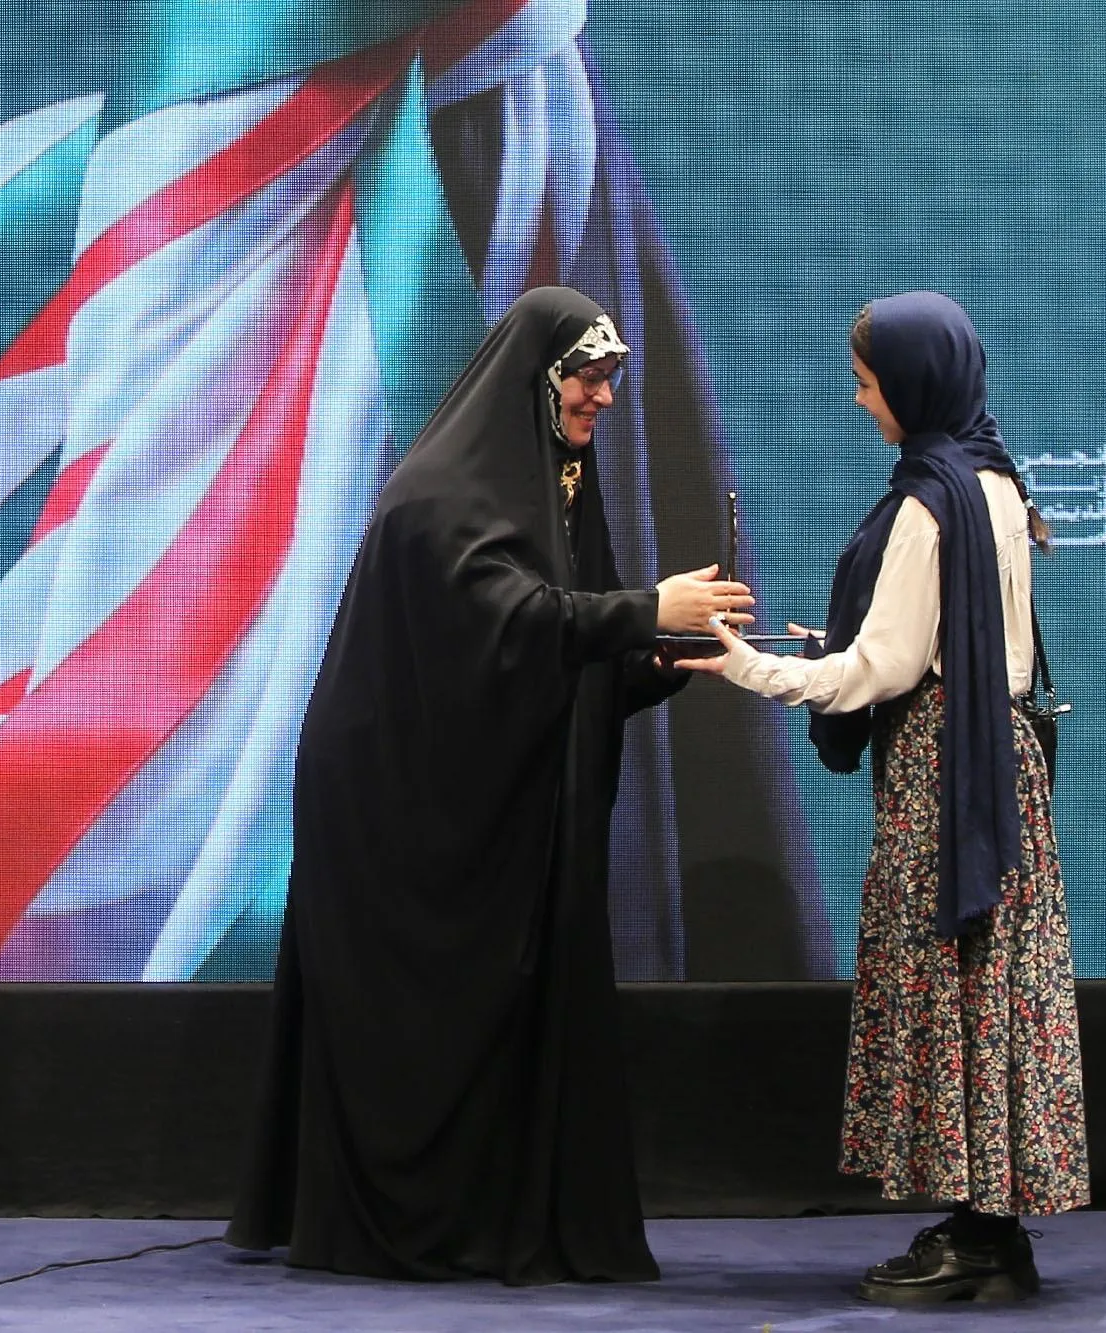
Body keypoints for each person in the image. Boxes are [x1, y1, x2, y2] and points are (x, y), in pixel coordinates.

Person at [226, 286, 754, 1284]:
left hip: (478, 812)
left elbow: (553, 660)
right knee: (415, 1033)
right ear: (535, 377)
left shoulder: (558, 485)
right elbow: (504, 624)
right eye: (586, 375)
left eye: (611, 378)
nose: (602, 396)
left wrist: (655, 659)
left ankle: (489, 1216)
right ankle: (404, 1223)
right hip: (395, 818)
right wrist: (644, 608)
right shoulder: (436, 496)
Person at [678, 291, 1088, 1304]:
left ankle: (980, 1239)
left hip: (943, 779)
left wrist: (750, 667)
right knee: (987, 992)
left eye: (867, 384)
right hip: (998, 768)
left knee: (949, 982)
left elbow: (883, 670)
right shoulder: (993, 481)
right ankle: (989, 1225)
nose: (860, 402)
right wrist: (837, 646)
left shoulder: (925, 504)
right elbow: (953, 637)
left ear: (913, 381)